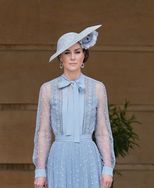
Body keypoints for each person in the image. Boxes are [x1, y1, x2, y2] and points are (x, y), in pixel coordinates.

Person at [32, 25, 115, 188]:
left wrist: (108, 167)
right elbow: (43, 133)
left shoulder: (98, 88)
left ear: (84, 55)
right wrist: (40, 170)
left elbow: (103, 131)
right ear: (60, 58)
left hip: (88, 157)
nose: (72, 57)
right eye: (67, 52)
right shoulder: (47, 89)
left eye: (77, 51)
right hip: (59, 158)